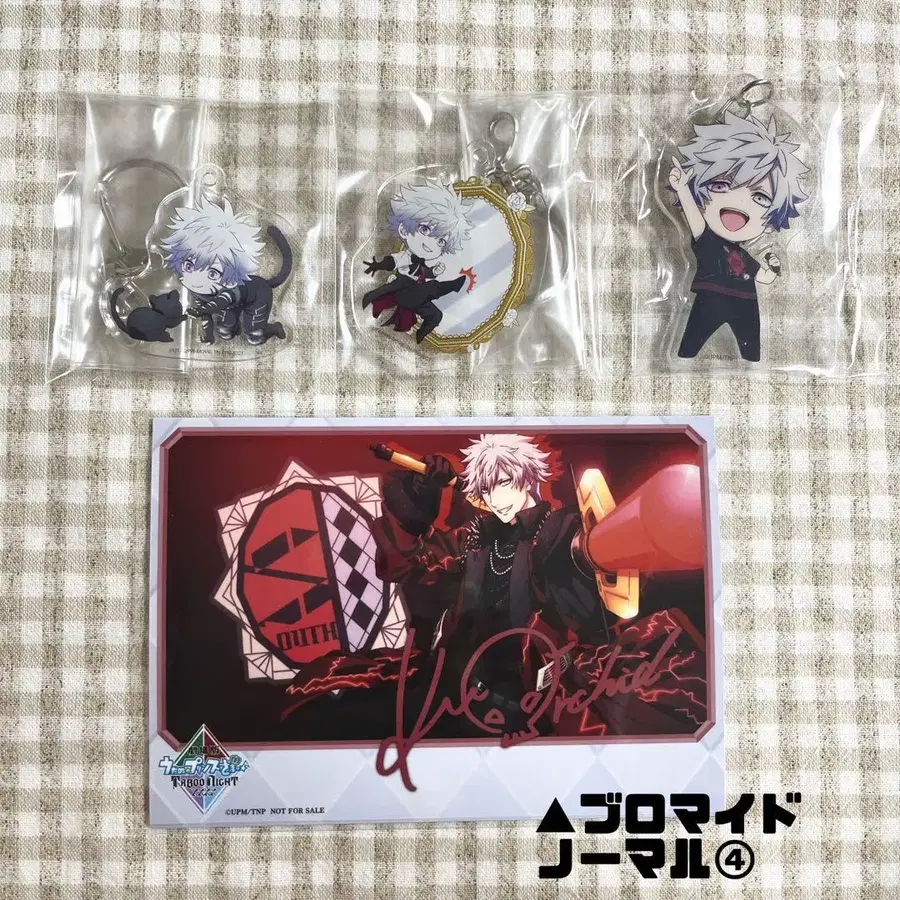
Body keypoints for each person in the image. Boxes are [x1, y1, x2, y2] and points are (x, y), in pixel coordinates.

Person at [669, 112, 808, 361]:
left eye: (760, 197)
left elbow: (763, 277)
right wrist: (682, 189)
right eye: (720, 185)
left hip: (746, 303)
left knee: (752, 354)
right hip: (711, 298)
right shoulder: (708, 239)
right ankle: (684, 361)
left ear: (771, 223)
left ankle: (751, 369)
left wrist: (774, 267)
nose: (737, 200)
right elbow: (694, 218)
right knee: (689, 347)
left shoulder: (744, 255)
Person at [162, 197, 291, 346]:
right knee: (225, 331)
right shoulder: (197, 290)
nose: (197, 278)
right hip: (229, 305)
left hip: (257, 297)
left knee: (254, 336)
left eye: (212, 273)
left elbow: (219, 303)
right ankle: (234, 328)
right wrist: (208, 335)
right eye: (189, 266)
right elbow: (205, 314)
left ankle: (274, 328)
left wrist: (200, 311)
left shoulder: (231, 289)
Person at [362, 179, 474, 343]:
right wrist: (377, 265)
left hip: (415, 297)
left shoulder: (422, 262)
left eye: (441, 241)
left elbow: (422, 273)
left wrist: (433, 272)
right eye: (424, 229)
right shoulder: (406, 256)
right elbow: (392, 262)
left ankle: (422, 334)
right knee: (429, 287)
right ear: (403, 229)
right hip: (402, 290)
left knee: (436, 314)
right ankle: (452, 286)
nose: (432, 243)